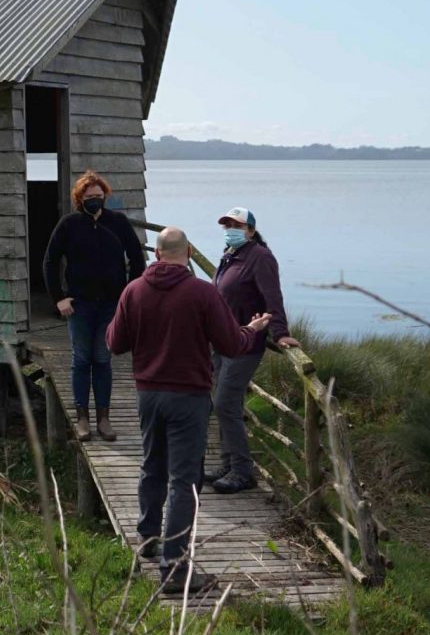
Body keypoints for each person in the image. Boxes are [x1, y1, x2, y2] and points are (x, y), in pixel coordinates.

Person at [107, 226, 271, 593]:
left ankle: (149, 540)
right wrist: (252, 329)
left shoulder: (133, 291)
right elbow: (231, 345)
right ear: (188, 253)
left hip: (149, 394)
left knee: (152, 466)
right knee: (184, 481)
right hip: (189, 398)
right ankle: (176, 570)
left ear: (156, 254)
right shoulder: (203, 293)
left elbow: (115, 343)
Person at [42, 170, 147, 441]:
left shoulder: (118, 222)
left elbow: (137, 260)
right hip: (79, 304)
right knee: (80, 359)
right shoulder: (69, 224)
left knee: (102, 359)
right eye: (89, 197)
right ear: (80, 198)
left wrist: (129, 295)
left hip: (111, 304)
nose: (95, 201)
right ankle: (82, 420)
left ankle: (104, 418)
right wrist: (58, 298)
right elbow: (50, 262)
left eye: (99, 197)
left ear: (105, 197)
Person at [206, 205, 299, 494]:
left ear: (250, 230)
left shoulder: (260, 257)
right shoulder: (230, 255)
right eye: (226, 225)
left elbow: (273, 298)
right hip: (223, 342)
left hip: (245, 345)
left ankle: (242, 472)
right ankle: (227, 463)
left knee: (225, 404)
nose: (230, 229)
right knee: (221, 403)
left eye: (236, 225)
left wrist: (280, 333)